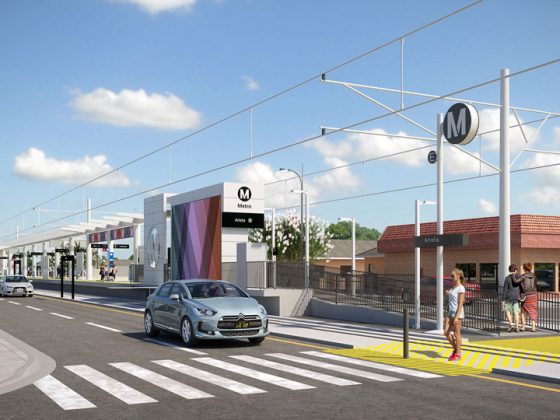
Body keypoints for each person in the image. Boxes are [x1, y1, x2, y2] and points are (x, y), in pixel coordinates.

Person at [444, 268, 465, 361]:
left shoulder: (461, 288)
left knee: (457, 334)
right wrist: (448, 294)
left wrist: (457, 316)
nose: (451, 277)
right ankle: (456, 350)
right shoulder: (453, 287)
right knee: (446, 332)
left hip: (457, 313)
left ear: (458, 276)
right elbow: (453, 299)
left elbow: (460, 303)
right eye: (451, 275)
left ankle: (457, 354)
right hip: (450, 311)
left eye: (452, 276)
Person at [519, 262, 538, 332]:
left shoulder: (522, 276)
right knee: (533, 311)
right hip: (534, 295)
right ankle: (533, 327)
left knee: (523, 311)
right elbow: (536, 285)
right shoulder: (534, 276)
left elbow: (519, 285)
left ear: (524, 268)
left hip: (526, 295)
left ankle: (523, 327)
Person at [502, 264, 520, 332]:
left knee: (507, 311)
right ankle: (517, 327)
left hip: (509, 297)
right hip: (516, 297)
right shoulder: (518, 278)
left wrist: (503, 299)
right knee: (516, 312)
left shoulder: (507, 278)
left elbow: (505, 290)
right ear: (515, 270)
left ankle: (511, 324)